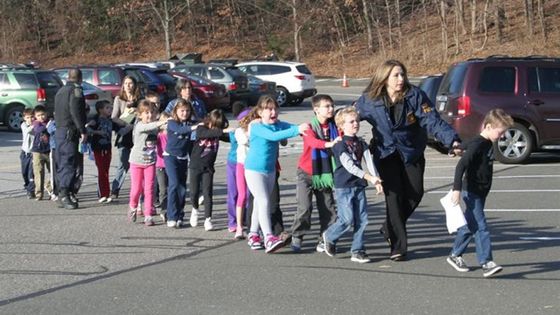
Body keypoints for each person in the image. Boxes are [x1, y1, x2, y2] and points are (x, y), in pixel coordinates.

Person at [354, 59, 461, 261]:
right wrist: (332, 128)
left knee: (415, 193)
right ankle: (398, 247)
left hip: (411, 151)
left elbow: (433, 121)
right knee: (393, 199)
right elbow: (349, 116)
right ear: (384, 78)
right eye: (396, 75)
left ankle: (389, 227)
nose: (401, 79)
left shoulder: (415, 96)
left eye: (402, 74)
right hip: (385, 154)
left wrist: (452, 141)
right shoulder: (369, 100)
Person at [446, 109, 513, 278]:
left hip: (481, 192)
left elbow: (466, 145)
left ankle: (455, 255)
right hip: (472, 191)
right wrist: (456, 189)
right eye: (500, 132)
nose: (503, 136)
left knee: (470, 225)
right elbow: (461, 166)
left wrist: (456, 149)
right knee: (481, 227)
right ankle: (486, 262)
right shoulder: (479, 143)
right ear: (489, 127)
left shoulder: (484, 142)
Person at [244, 95, 308, 253]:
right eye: (268, 109)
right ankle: (269, 237)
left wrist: (304, 127)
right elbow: (274, 136)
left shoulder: (278, 124)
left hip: (270, 169)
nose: (273, 112)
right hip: (253, 169)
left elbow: (290, 127)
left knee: (260, 204)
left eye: (275, 109)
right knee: (264, 200)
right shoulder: (257, 127)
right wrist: (297, 130)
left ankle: (253, 234)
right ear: (260, 112)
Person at [322, 107, 383, 263]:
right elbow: (349, 165)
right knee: (347, 219)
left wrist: (376, 179)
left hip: (359, 185)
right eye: (351, 122)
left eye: (356, 120)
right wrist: (369, 177)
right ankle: (329, 236)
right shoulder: (339, 145)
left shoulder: (361, 142)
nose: (355, 124)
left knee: (362, 219)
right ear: (341, 125)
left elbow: (369, 161)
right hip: (344, 186)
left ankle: (357, 250)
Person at [290, 94, 340, 252]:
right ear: (316, 109)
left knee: (328, 207)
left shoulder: (335, 126)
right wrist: (330, 143)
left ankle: (325, 237)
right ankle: (297, 235)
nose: (331, 109)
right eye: (327, 106)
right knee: (304, 208)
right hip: (306, 172)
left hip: (325, 174)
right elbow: (312, 142)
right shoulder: (308, 127)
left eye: (332, 105)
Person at [189, 109, 232, 231]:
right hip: (195, 165)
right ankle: (195, 209)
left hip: (208, 167)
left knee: (207, 193)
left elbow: (228, 137)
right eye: (214, 125)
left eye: (218, 127)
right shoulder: (201, 128)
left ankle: (208, 219)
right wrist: (221, 131)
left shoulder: (218, 132)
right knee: (193, 192)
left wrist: (237, 134)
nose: (216, 128)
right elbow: (205, 134)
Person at [127, 100, 167, 226]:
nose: (149, 115)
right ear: (140, 115)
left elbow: (166, 129)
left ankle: (148, 215)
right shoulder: (139, 126)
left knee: (149, 189)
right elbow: (148, 127)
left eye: (152, 112)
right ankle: (133, 206)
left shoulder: (155, 126)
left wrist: (171, 123)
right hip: (136, 162)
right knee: (137, 188)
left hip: (150, 162)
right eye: (146, 113)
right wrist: (162, 122)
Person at [54, 68, 88, 209]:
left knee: (61, 162)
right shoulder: (76, 90)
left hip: (60, 130)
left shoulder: (60, 90)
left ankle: (61, 193)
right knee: (69, 163)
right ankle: (65, 194)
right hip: (69, 131)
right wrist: (82, 130)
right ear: (80, 78)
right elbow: (75, 111)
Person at [164, 99, 196, 228]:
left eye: (187, 111)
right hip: (170, 157)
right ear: (176, 111)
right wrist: (194, 127)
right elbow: (181, 130)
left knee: (182, 188)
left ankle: (180, 215)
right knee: (174, 184)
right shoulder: (172, 122)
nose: (185, 113)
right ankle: (171, 216)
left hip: (183, 158)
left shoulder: (191, 122)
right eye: (182, 111)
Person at [111, 75, 141, 199]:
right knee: (123, 163)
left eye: (130, 83)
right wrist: (126, 123)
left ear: (134, 85)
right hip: (123, 134)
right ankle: (115, 189)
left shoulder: (140, 99)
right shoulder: (119, 99)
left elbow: (144, 116)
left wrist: (136, 115)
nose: (128, 86)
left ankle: (139, 191)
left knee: (138, 165)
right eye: (126, 83)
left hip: (137, 136)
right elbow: (113, 117)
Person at [232, 108, 254, 239]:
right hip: (242, 165)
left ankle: (253, 224)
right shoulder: (239, 131)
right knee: (243, 195)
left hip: (254, 165)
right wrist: (251, 129)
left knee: (254, 196)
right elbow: (245, 141)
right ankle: (239, 226)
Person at [86, 100, 114, 203]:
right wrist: (97, 132)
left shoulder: (110, 120)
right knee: (101, 171)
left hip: (108, 147)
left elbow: (120, 129)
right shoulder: (95, 120)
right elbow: (88, 129)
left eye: (111, 108)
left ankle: (106, 193)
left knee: (106, 171)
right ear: (100, 110)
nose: (110, 110)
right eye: (107, 108)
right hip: (98, 148)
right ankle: (103, 193)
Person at [31, 105, 53, 201]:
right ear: (35, 116)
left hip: (49, 150)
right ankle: (39, 193)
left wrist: (50, 124)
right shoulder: (36, 124)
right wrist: (47, 126)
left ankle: (50, 187)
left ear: (46, 114)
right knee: (38, 172)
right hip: (38, 151)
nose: (41, 117)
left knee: (53, 171)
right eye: (38, 115)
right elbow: (38, 130)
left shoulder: (50, 122)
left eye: (43, 115)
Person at [156, 112, 170, 221]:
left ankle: (171, 209)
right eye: (164, 122)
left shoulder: (173, 135)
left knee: (172, 188)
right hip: (160, 165)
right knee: (163, 189)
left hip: (171, 164)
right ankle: (163, 210)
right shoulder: (158, 136)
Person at [20, 108, 35, 199]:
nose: (30, 119)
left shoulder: (37, 126)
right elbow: (27, 131)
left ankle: (31, 190)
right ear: (24, 118)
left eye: (32, 117)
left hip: (33, 153)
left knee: (31, 173)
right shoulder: (23, 125)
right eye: (28, 117)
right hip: (24, 153)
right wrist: (35, 124)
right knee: (24, 172)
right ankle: (27, 186)